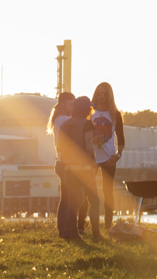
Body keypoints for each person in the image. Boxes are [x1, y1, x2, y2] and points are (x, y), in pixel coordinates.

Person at [52, 94, 96, 240]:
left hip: (64, 164)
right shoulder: (73, 122)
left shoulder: (63, 122)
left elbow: (60, 146)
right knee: (77, 200)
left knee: (69, 199)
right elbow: (88, 147)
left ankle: (66, 231)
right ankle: (71, 231)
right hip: (76, 166)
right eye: (70, 104)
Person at [89, 83, 124, 232]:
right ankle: (85, 226)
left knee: (108, 192)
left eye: (105, 94)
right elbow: (81, 134)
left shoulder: (115, 114)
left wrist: (118, 155)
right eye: (99, 94)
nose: (101, 97)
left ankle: (108, 227)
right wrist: (92, 139)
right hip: (91, 157)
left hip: (109, 158)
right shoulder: (89, 112)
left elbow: (121, 138)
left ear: (110, 96)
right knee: (88, 191)